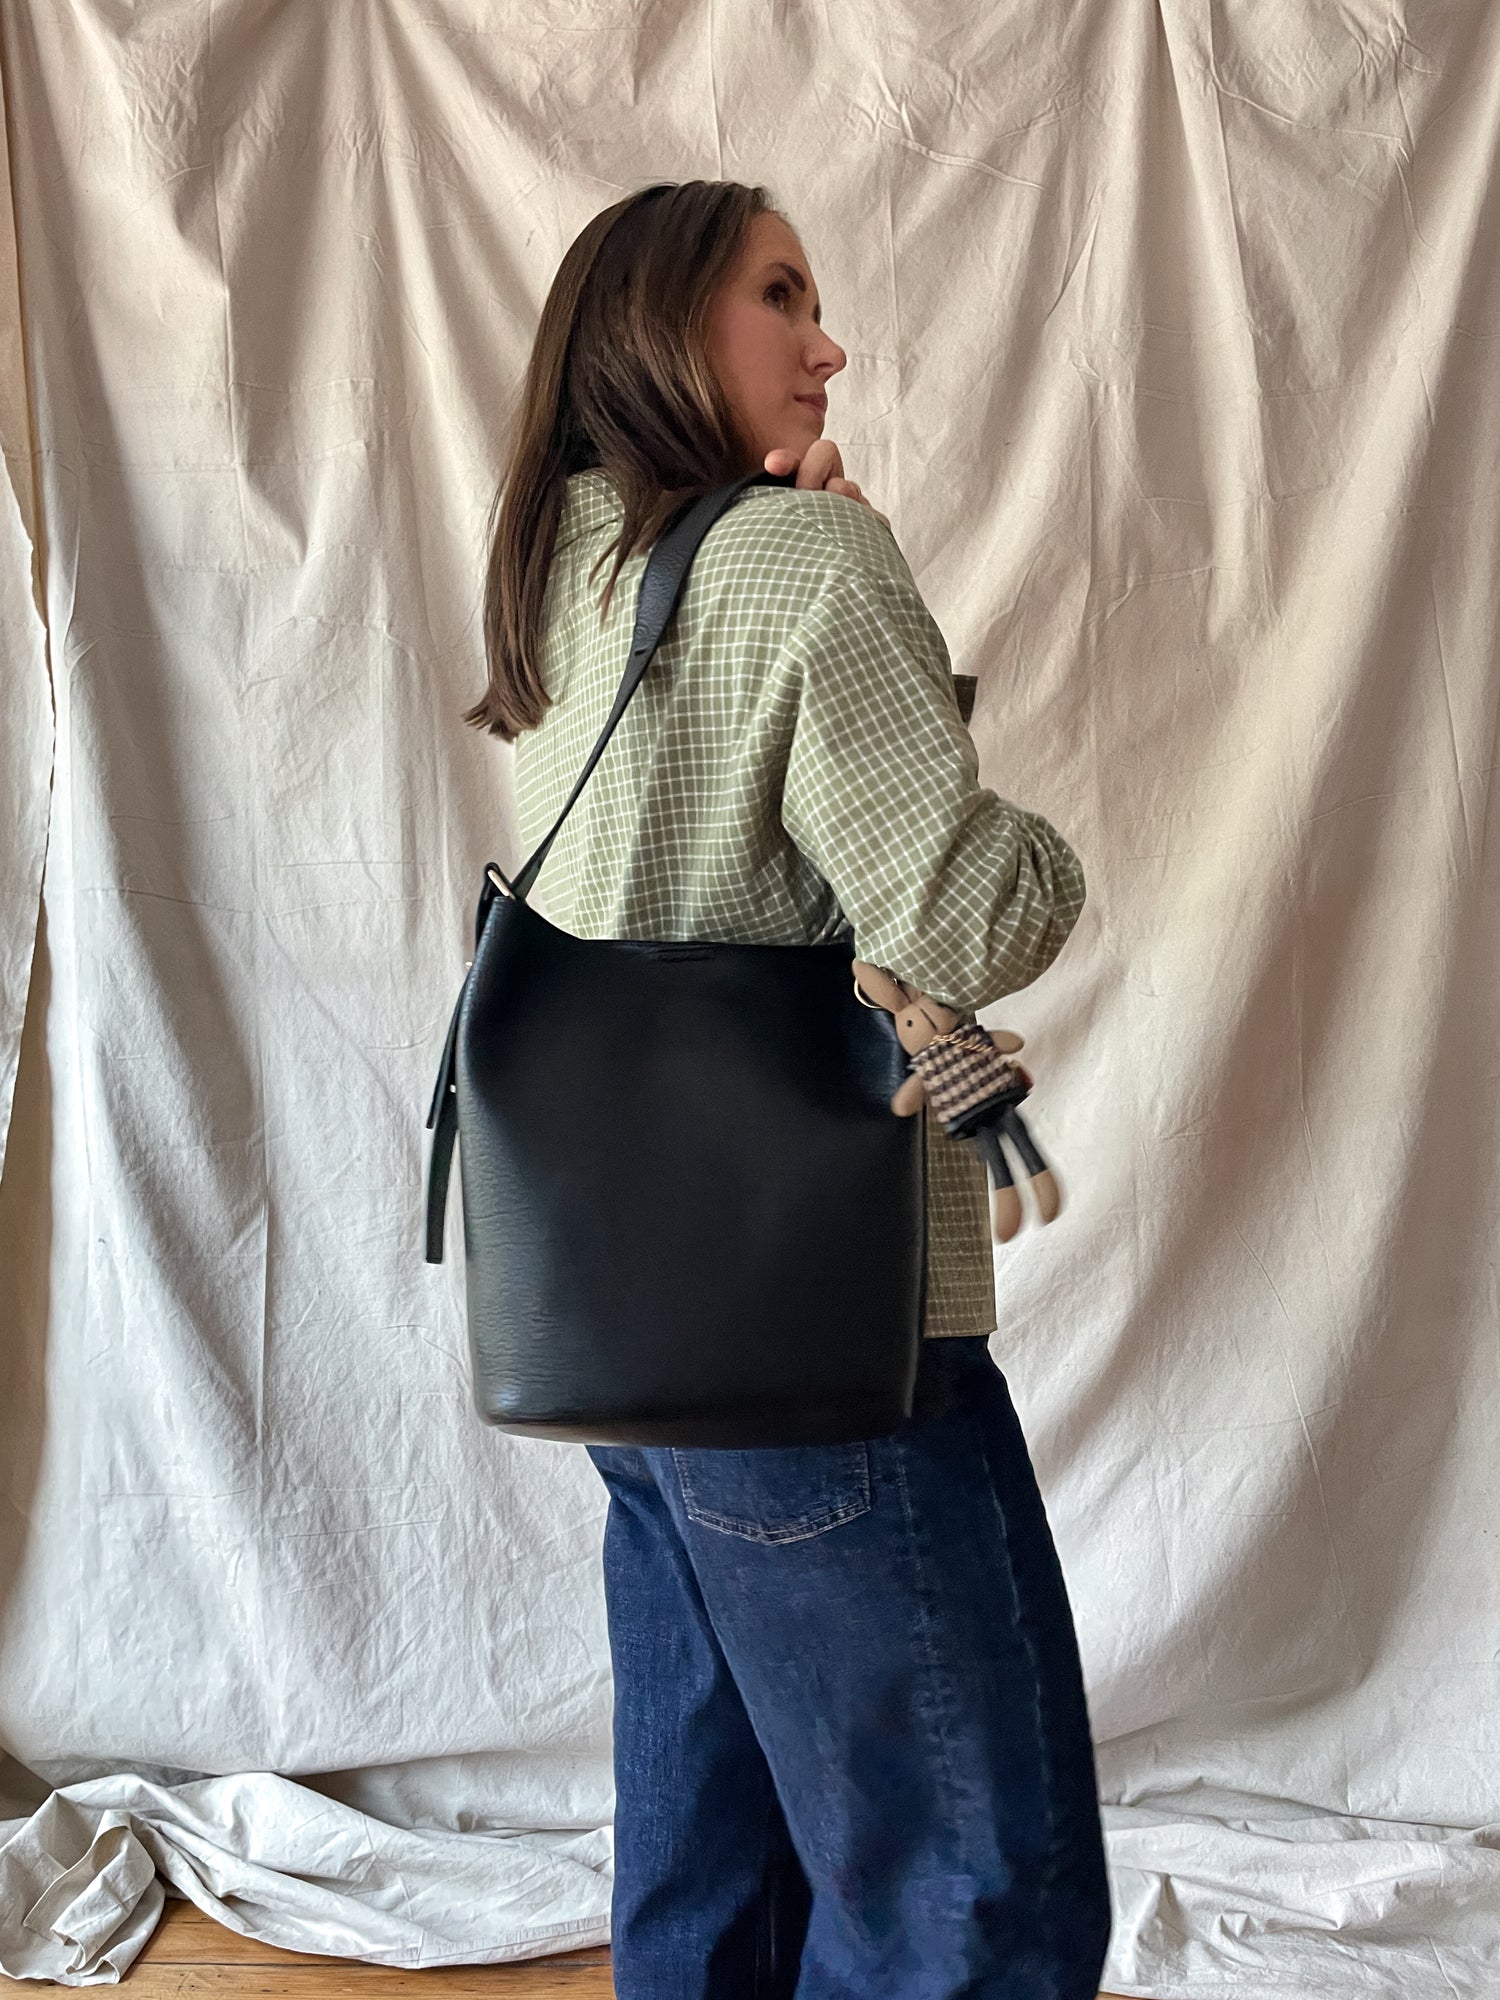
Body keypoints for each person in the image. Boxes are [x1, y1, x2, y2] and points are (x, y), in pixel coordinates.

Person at [462, 180, 1113, 2000]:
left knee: (711, 1874)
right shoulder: (807, 563)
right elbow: (963, 910)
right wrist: (878, 596)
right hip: (820, 1340)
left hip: (630, 1335)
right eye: (781, 294)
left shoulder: (564, 572)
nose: (829, 344)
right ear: (662, 322)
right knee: (970, 1895)